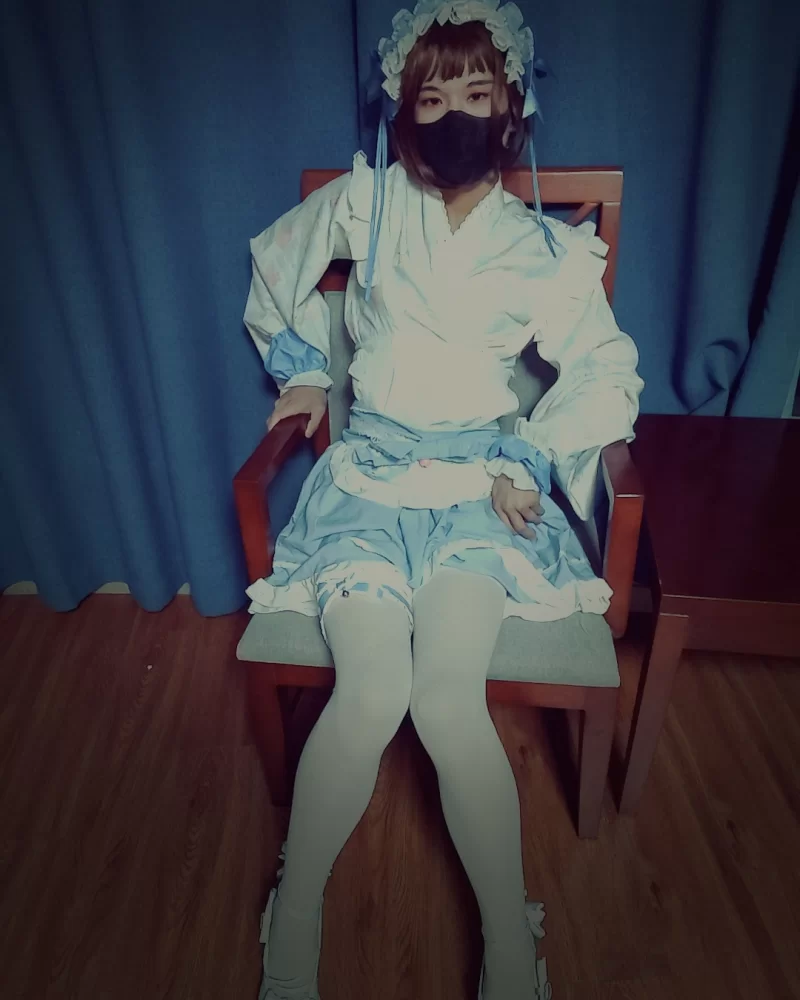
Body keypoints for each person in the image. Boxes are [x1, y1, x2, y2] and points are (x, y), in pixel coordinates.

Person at [243, 3, 644, 998]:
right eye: (432, 97)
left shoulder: (542, 246)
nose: (456, 114)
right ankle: (295, 912)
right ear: (404, 110)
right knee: (372, 688)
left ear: (511, 108)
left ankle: (509, 936)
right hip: (370, 482)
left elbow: (604, 370)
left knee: (446, 698)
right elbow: (274, 271)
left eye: (477, 93)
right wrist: (304, 371)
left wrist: (530, 457)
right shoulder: (366, 202)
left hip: (477, 490)